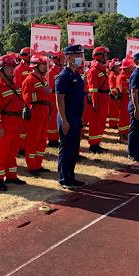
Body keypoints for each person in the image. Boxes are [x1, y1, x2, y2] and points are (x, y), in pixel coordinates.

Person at [0, 54, 27, 191]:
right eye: (9, 67)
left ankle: (11, 176)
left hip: (15, 123)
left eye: (12, 67)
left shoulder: (14, 84)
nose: (12, 70)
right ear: (1, 69)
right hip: (4, 125)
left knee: (12, 152)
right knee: (1, 154)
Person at [55, 44, 86, 190]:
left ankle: (71, 176)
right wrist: (64, 120)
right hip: (66, 117)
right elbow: (60, 99)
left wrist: (80, 116)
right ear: (68, 57)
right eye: (76, 55)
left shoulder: (76, 75)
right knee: (66, 148)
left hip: (75, 117)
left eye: (80, 55)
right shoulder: (64, 76)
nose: (80, 58)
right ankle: (63, 178)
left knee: (74, 149)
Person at [22, 54, 50, 175]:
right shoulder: (29, 80)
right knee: (33, 140)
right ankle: (32, 166)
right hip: (35, 112)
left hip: (43, 112)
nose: (45, 67)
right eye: (43, 65)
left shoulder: (43, 79)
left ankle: (38, 164)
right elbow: (27, 98)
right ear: (36, 66)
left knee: (42, 140)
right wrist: (42, 93)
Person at [85, 46, 111, 154]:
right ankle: (93, 145)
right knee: (95, 123)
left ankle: (97, 142)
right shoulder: (93, 70)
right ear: (99, 56)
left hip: (104, 98)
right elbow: (92, 89)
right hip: (98, 99)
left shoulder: (102, 68)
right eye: (105, 54)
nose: (107, 56)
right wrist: (94, 102)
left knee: (101, 122)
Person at [47, 52, 63, 146]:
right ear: (57, 60)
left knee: (58, 119)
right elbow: (49, 88)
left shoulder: (61, 70)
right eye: (62, 58)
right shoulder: (51, 72)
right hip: (53, 99)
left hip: (60, 98)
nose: (64, 60)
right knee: (53, 120)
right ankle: (52, 140)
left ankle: (56, 137)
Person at [116, 57, 134, 142]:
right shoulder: (122, 77)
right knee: (123, 118)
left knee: (127, 118)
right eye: (132, 66)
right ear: (127, 67)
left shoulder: (128, 75)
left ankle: (126, 133)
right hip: (123, 101)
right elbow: (123, 90)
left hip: (128, 100)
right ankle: (122, 135)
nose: (133, 68)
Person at [107, 59, 121, 129]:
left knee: (116, 111)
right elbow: (112, 87)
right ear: (113, 68)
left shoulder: (117, 74)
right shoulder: (112, 75)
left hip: (116, 96)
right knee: (113, 111)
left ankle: (114, 123)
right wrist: (116, 94)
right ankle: (112, 124)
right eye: (117, 67)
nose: (119, 68)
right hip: (113, 96)